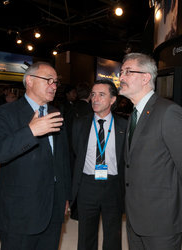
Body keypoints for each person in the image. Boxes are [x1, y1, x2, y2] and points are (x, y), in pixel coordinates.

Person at [0, 61, 71, 250]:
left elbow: (62, 160)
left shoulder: (56, 113)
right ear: (29, 81)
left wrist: (64, 196)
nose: (54, 86)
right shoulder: (5, 113)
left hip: (53, 209)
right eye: (48, 80)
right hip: (20, 213)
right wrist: (30, 132)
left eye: (56, 82)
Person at [118, 53, 182, 250]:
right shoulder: (134, 115)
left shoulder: (168, 112)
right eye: (121, 72)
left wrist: (174, 204)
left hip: (162, 219)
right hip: (135, 216)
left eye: (127, 72)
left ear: (146, 77)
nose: (121, 77)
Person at [71, 80, 127, 250]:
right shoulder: (80, 124)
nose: (95, 99)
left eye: (101, 95)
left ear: (112, 99)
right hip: (87, 185)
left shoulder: (124, 125)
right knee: (86, 236)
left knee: (113, 235)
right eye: (93, 94)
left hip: (113, 186)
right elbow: (74, 154)